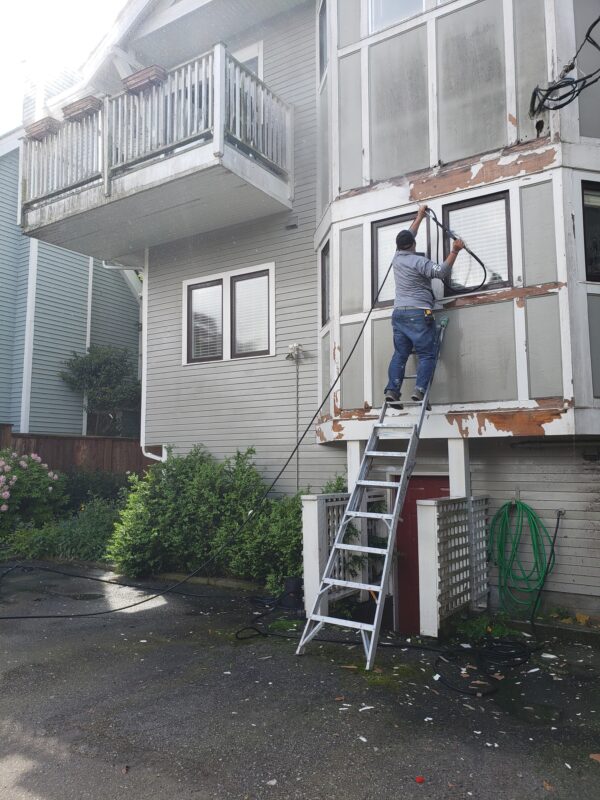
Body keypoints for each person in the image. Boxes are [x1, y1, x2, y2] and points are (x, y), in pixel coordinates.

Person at [384, 204, 464, 407]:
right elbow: (441, 272)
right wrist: (455, 251)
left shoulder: (397, 258)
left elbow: (410, 233)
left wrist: (419, 216)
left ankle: (393, 391)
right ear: (412, 245)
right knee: (427, 353)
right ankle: (419, 391)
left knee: (400, 354)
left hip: (398, 314)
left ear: (398, 245)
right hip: (418, 313)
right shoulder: (418, 262)